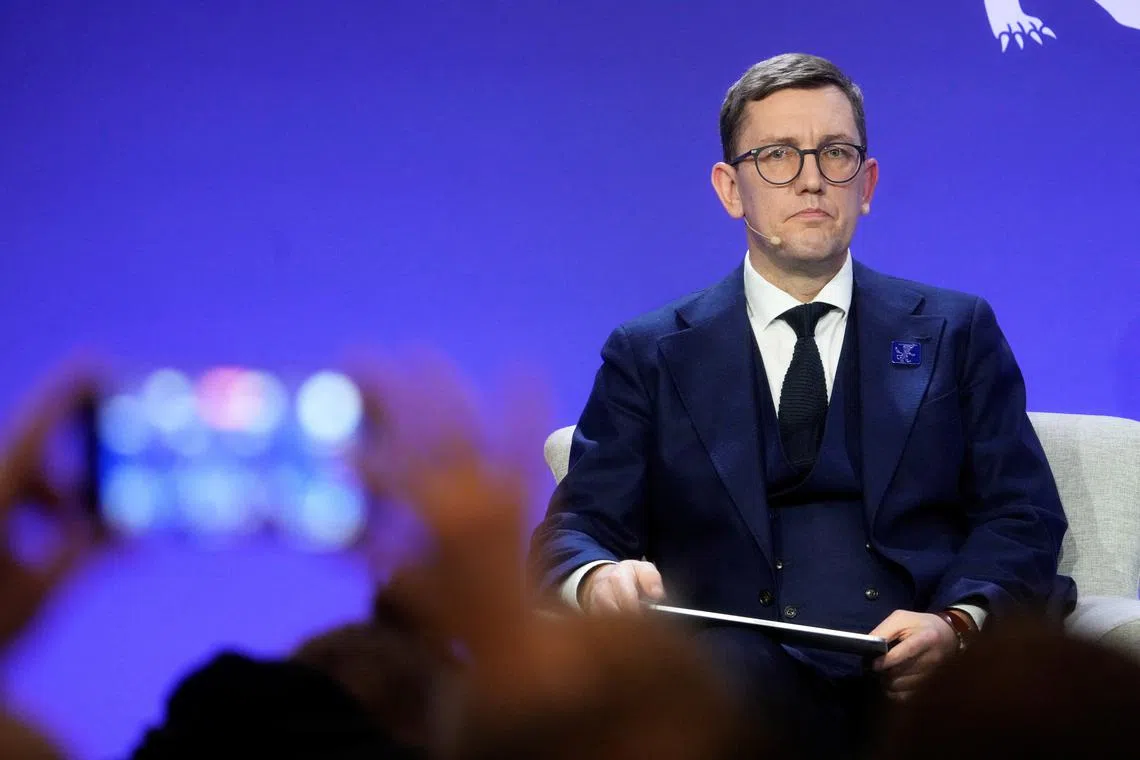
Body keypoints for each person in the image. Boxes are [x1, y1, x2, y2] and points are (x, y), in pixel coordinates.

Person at [529, 52, 1077, 757]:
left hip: (924, 668)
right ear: (731, 188)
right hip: (736, 673)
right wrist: (598, 577)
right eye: (779, 155)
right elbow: (572, 531)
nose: (812, 178)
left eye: (836, 154)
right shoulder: (651, 353)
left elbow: (1022, 513)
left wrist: (959, 623)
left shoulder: (954, 330)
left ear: (868, 183)